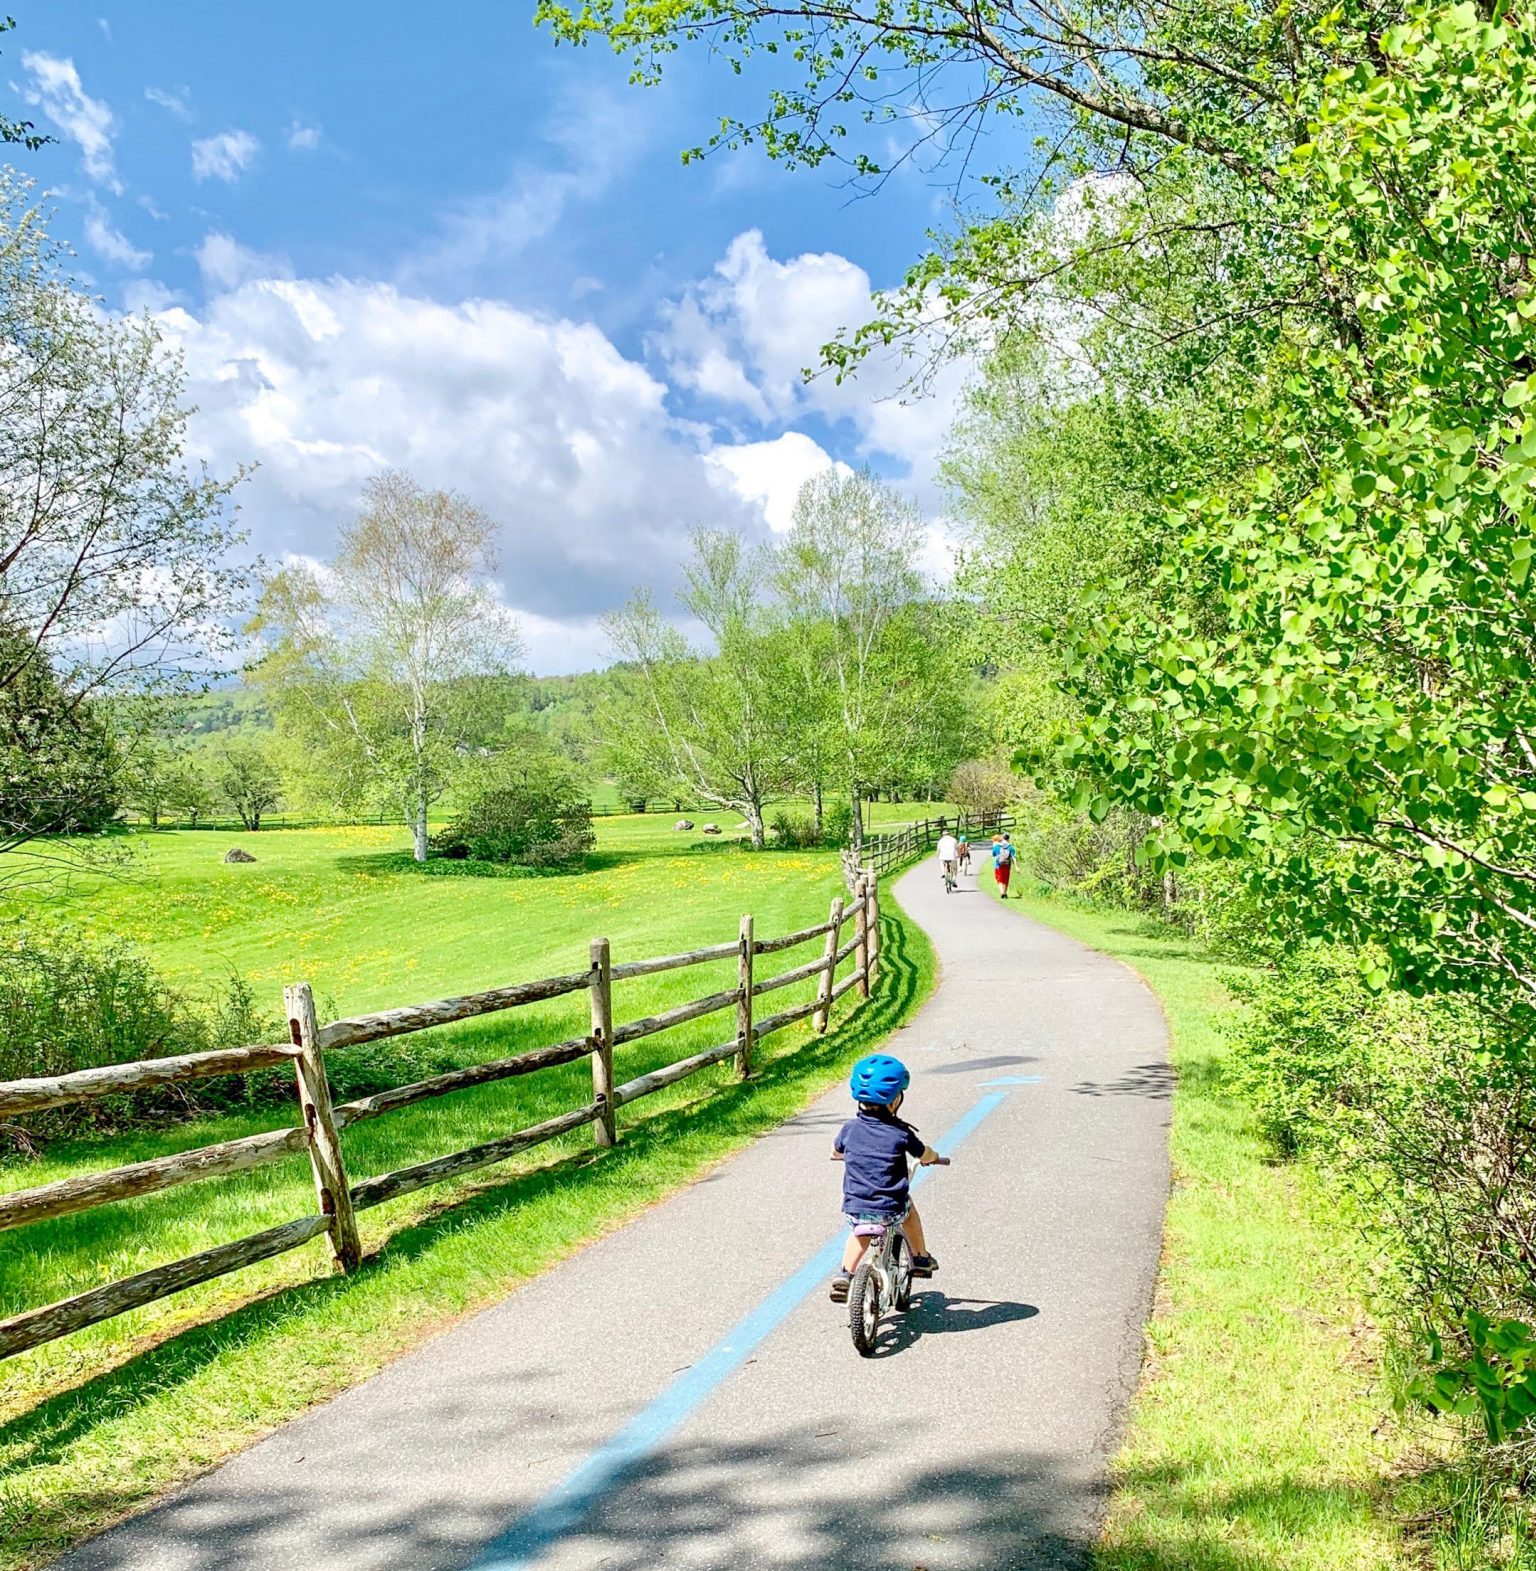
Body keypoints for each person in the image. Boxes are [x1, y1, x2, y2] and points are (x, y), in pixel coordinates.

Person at [829, 1053, 942, 1302]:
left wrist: (841, 1154)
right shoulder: (900, 1133)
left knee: (859, 1233)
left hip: (856, 1206)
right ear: (894, 1101)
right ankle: (920, 1257)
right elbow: (924, 1153)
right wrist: (933, 1157)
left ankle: (845, 1275)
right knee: (909, 1211)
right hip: (890, 1207)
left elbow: (835, 1151)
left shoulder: (849, 1129)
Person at [935, 825, 959, 892]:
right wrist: (959, 855)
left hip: (943, 857)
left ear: (943, 835)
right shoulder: (953, 840)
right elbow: (957, 848)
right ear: (949, 834)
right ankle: (954, 879)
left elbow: (938, 851)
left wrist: (937, 856)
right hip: (952, 857)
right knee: (955, 868)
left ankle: (943, 873)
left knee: (942, 863)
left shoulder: (940, 841)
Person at [993, 831, 1016, 899]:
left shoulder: (997, 846)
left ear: (1002, 837)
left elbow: (993, 854)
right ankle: (1005, 893)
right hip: (1007, 865)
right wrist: (1016, 866)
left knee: (999, 879)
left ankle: (1002, 892)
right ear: (1008, 838)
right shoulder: (1010, 847)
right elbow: (1014, 857)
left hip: (998, 865)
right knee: (1005, 879)